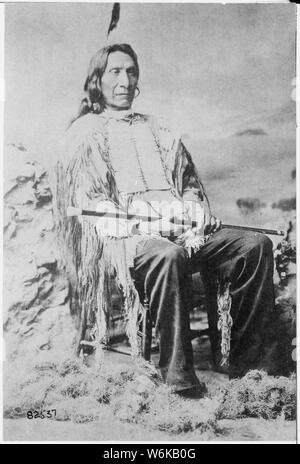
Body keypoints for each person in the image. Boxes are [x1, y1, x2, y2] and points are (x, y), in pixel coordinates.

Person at [56, 43, 280, 396]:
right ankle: (178, 378)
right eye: (115, 72)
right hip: (126, 239)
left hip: (181, 230)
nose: (124, 81)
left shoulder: (160, 130)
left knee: (254, 245)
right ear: (97, 80)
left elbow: (189, 185)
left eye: (131, 72)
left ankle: (253, 367)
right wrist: (148, 224)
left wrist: (191, 213)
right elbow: (92, 205)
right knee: (167, 254)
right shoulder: (84, 134)